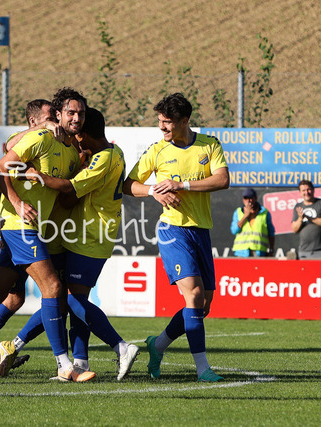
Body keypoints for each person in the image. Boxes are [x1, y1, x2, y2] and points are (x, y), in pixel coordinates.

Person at [0, 107, 139, 380]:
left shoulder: (102, 159)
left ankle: (120, 346)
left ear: (84, 135)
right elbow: (10, 145)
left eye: (78, 134)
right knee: (64, 299)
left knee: (68, 298)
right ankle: (79, 363)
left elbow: (68, 192)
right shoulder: (116, 152)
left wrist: (38, 176)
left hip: (89, 236)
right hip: (83, 235)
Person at [0, 87, 94, 382]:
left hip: (30, 228)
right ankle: (64, 365)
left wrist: (76, 177)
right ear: (58, 115)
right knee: (53, 287)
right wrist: (17, 203)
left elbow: (65, 198)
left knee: (0, 296)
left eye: (81, 114)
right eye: (71, 113)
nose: (77, 118)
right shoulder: (42, 137)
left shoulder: (71, 152)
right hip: (16, 225)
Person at [123, 92, 229, 382]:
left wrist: (181, 185)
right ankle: (203, 369)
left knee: (202, 305)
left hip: (200, 230)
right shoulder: (158, 150)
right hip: (172, 230)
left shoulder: (209, 144)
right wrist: (153, 191)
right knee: (193, 294)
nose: (162, 127)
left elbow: (222, 179)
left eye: (168, 122)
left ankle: (157, 345)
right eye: (160, 121)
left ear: (185, 121)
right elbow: (128, 185)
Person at [0, 99, 56, 376]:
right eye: (49, 116)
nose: (54, 121)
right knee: (11, 294)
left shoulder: (51, 143)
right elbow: (9, 149)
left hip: (25, 227)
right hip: (6, 229)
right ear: (33, 121)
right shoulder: (24, 138)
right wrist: (44, 129)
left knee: (14, 297)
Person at [230, 188, 275, 257]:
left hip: (259, 252)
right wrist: (245, 216)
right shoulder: (238, 212)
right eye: (246, 198)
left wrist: (271, 249)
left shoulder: (265, 213)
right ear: (243, 199)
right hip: (241, 253)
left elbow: (271, 233)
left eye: (251, 198)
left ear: (256, 198)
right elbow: (234, 231)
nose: (248, 201)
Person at [291, 180, 321, 259]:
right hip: (304, 251)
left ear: (313, 190)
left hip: (320, 250)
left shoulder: (320, 203)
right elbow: (294, 229)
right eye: (303, 190)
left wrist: (308, 217)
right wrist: (300, 218)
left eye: (308, 189)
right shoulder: (298, 206)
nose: (306, 192)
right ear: (300, 192)